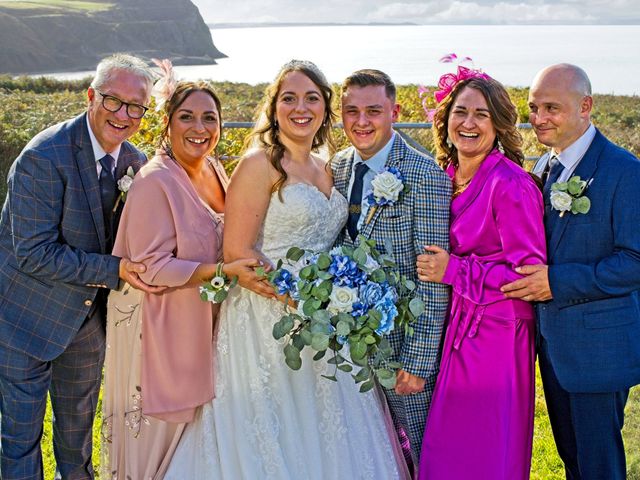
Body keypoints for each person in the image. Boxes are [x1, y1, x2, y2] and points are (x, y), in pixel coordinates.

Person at [164, 59, 409, 479]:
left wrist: (335, 301)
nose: (301, 107)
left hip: (329, 323)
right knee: (272, 427)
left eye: (311, 98)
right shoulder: (260, 165)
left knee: (331, 429)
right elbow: (237, 254)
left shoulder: (330, 165)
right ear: (274, 107)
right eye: (289, 98)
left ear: (325, 108)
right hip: (266, 321)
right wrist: (301, 297)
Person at [0, 54, 161, 479]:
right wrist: (116, 270)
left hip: (86, 325)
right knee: (20, 444)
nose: (123, 115)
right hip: (24, 321)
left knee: (77, 440)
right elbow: (32, 252)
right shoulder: (44, 156)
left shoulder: (134, 163)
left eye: (135, 107)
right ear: (91, 96)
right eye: (113, 101)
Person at [100, 78, 258, 479]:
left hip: (203, 328)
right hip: (162, 332)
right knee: (154, 454)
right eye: (186, 117)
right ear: (168, 124)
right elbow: (150, 266)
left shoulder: (215, 169)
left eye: (210, 118)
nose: (199, 128)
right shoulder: (154, 181)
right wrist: (221, 272)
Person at [502, 63, 640, 480]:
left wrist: (555, 282)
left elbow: (634, 261)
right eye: (533, 107)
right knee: (573, 461)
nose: (539, 118)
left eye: (551, 108)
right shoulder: (543, 168)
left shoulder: (624, 171)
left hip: (599, 350)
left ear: (586, 106)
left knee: (599, 467)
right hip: (554, 348)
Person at [416, 71, 546, 479]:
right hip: (457, 326)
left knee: (483, 450)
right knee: (447, 451)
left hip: (496, 335)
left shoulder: (510, 185)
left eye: (481, 115)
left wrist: (454, 270)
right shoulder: (447, 177)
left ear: (499, 126)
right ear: (445, 120)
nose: (468, 123)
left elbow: (527, 277)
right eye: (460, 112)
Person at [332, 69, 451, 471]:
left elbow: (433, 281)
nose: (361, 122)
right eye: (351, 111)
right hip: (349, 348)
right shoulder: (338, 166)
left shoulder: (424, 175)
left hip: (403, 348)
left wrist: (416, 364)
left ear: (394, 111)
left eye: (373, 111)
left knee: (418, 454)